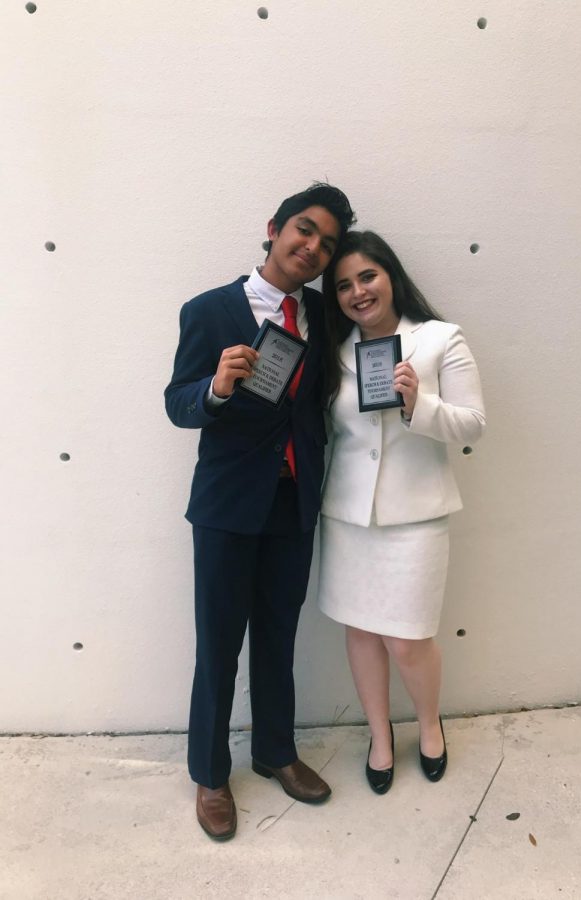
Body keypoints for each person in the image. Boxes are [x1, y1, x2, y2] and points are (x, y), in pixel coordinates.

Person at [165, 183, 356, 839]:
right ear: (274, 228)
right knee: (218, 645)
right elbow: (176, 402)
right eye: (305, 230)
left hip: (293, 503)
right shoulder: (209, 310)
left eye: (327, 244)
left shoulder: (322, 316)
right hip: (225, 505)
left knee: (277, 638)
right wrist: (215, 387)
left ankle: (275, 751)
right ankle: (210, 774)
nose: (313, 248)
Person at [318, 230, 486, 793]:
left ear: (390, 275)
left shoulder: (440, 339)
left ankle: (430, 724)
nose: (357, 292)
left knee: (410, 640)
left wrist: (420, 403)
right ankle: (380, 735)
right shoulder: (333, 352)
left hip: (416, 517)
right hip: (347, 518)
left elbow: (473, 424)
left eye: (367, 276)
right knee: (363, 634)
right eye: (343, 285)